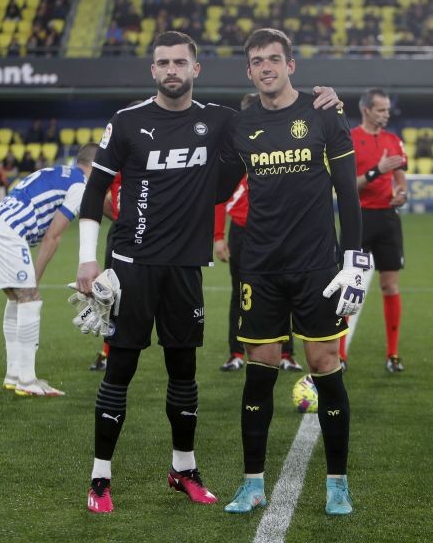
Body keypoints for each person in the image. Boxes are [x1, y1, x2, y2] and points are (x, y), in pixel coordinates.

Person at [74, 31, 342, 514]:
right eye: (163, 63)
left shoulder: (221, 120)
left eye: (180, 62)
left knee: (184, 373)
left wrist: (326, 100)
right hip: (132, 264)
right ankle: (100, 478)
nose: (171, 70)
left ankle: (184, 470)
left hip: (186, 266)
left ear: (195, 69)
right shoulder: (127, 121)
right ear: (153, 70)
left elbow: (275, 116)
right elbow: (95, 192)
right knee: (120, 370)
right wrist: (87, 259)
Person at [221, 28, 369, 517]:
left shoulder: (324, 113)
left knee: (325, 365)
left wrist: (353, 260)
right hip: (260, 267)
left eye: (273, 59)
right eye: (257, 61)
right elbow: (215, 185)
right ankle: (252, 484)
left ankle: (338, 485)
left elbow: (347, 192)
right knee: (259, 370)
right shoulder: (241, 125)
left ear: (291, 65)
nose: (266, 67)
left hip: (316, 266)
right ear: (249, 71)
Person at [0, 143, 99, 397]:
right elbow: (53, 236)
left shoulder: (60, 171)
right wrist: (35, 278)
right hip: (6, 232)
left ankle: (13, 375)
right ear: (95, 166)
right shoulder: (80, 186)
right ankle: (27, 381)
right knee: (30, 301)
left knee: (17, 300)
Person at [214, 92, 303, 373]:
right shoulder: (236, 146)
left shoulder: (280, 146)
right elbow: (219, 194)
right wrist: (218, 236)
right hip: (243, 231)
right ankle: (236, 352)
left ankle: (286, 353)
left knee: (284, 290)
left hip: (279, 231)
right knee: (240, 292)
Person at [341, 87, 407, 373]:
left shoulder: (394, 140)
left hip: (388, 219)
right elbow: (346, 186)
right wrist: (376, 171)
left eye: (388, 109)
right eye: (381, 109)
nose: (386, 114)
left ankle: (393, 354)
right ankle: (340, 355)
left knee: (390, 285)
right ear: (366, 110)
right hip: (358, 219)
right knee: (350, 288)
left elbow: (401, 180)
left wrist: (402, 193)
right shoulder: (349, 139)